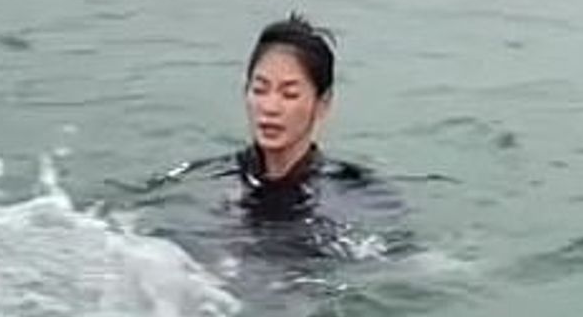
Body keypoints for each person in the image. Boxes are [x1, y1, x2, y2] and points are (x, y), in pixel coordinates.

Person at [136, 14, 401, 253]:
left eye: (289, 94)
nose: (270, 107)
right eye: (260, 90)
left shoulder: (359, 195)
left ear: (322, 104)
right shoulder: (201, 182)